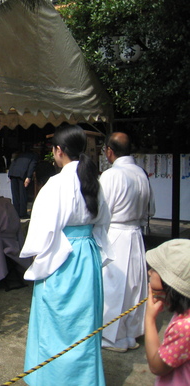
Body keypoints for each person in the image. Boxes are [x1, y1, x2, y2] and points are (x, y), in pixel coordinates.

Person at [20, 125, 112, 386]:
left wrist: (37, 256)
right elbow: (103, 221)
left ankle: (52, 379)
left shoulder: (56, 184)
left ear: (58, 151)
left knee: (55, 322)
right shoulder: (94, 182)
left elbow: (42, 228)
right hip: (87, 254)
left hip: (62, 256)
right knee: (84, 324)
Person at [100, 132, 154, 352]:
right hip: (136, 233)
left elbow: (101, 211)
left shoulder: (112, 175)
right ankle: (131, 332)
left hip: (116, 233)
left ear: (110, 152)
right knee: (134, 285)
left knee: (114, 287)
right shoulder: (141, 173)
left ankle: (113, 336)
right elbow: (151, 209)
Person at [144, 239, 190, 385]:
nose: (149, 271)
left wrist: (150, 319)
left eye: (155, 269)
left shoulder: (184, 327)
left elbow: (157, 367)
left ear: (170, 283)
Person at [8, 149, 38, 218]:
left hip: (13, 173)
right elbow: (32, 166)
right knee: (22, 194)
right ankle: (22, 213)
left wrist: (10, 174)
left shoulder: (21, 155)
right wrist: (28, 177)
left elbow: (13, 163)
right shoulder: (34, 156)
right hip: (22, 174)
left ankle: (16, 212)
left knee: (15, 195)